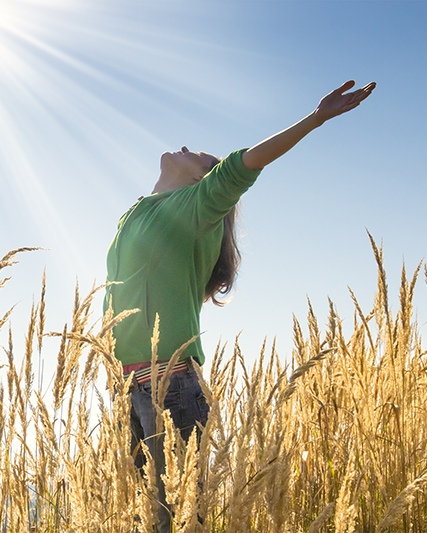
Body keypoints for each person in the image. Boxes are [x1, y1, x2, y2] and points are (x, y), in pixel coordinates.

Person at [103, 80, 376, 531]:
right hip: (127, 389)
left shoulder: (194, 208)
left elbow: (243, 166)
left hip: (169, 387)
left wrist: (316, 117)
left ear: (203, 180)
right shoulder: (135, 213)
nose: (188, 146)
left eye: (202, 157)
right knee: (148, 522)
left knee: (182, 520)